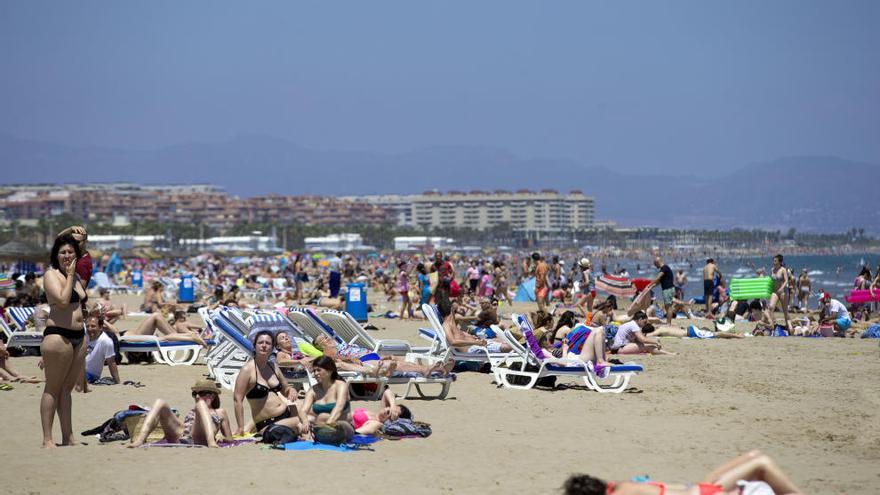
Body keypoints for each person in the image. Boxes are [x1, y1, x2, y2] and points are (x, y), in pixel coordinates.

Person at [563, 450, 804, 495]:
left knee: (756, 459)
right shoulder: (619, 486)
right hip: (701, 491)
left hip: (701, 489)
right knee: (759, 461)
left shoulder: (619, 490)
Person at [40, 234, 89, 448]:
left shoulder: (76, 276)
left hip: (78, 336)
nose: (67, 255)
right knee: (52, 387)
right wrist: (69, 276)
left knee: (66, 390)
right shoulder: (51, 275)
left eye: (70, 252)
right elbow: (61, 301)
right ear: (56, 255)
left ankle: (68, 437)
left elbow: (79, 300)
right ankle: (47, 439)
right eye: (63, 252)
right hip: (57, 335)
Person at [232, 330, 301, 435]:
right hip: (267, 423)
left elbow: (285, 389)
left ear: (272, 347)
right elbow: (237, 400)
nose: (264, 346)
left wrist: (291, 390)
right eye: (260, 342)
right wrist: (240, 427)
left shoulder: (273, 366)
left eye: (268, 343)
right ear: (255, 346)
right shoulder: (247, 370)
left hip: (286, 414)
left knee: (312, 409)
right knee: (309, 420)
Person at [128, 379, 232, 448]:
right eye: (195, 394)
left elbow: (230, 439)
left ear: (212, 396)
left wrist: (222, 438)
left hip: (199, 438)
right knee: (160, 402)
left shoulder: (220, 412)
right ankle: (140, 440)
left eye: (201, 393)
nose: (196, 397)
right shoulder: (195, 409)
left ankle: (211, 442)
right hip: (182, 435)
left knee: (200, 404)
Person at [297, 356, 352, 437]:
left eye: (318, 370)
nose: (315, 373)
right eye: (314, 371)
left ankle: (314, 434)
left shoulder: (340, 385)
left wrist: (328, 425)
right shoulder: (313, 389)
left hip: (341, 426)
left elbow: (339, 407)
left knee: (323, 417)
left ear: (330, 371)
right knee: (299, 422)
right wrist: (305, 421)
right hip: (320, 425)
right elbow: (303, 410)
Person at [441, 301, 512, 354]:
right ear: (451, 310)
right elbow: (453, 342)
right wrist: (475, 342)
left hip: (477, 343)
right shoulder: (447, 325)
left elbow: (460, 334)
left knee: (503, 341)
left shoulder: (452, 323)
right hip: (473, 348)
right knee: (509, 347)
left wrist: (472, 337)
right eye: (455, 309)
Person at [81, 314, 120, 390]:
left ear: (101, 327)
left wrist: (118, 381)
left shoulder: (106, 341)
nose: (89, 329)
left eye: (93, 326)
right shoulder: (85, 333)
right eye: (87, 326)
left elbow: (111, 362)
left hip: (91, 374)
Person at [609, 311, 674, 355]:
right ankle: (669, 354)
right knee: (650, 346)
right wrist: (655, 342)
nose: (644, 324)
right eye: (644, 322)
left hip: (617, 348)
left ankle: (667, 353)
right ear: (640, 319)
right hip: (621, 348)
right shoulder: (634, 325)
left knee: (646, 346)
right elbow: (643, 339)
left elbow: (639, 341)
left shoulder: (630, 324)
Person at [649, 257, 686, 325]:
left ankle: (668, 323)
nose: (655, 266)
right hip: (668, 289)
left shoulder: (664, 268)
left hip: (668, 290)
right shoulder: (664, 268)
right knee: (667, 306)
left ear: (657, 262)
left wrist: (649, 284)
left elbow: (658, 278)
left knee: (668, 307)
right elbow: (660, 281)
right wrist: (651, 286)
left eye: (655, 264)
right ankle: (668, 322)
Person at [769, 255, 793, 331]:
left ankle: (789, 327)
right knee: (771, 307)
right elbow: (771, 281)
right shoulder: (772, 270)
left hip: (783, 292)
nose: (774, 262)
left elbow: (786, 281)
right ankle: (773, 325)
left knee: (785, 311)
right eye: (773, 260)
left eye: (775, 261)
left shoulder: (783, 270)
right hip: (775, 292)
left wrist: (781, 288)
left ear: (779, 262)